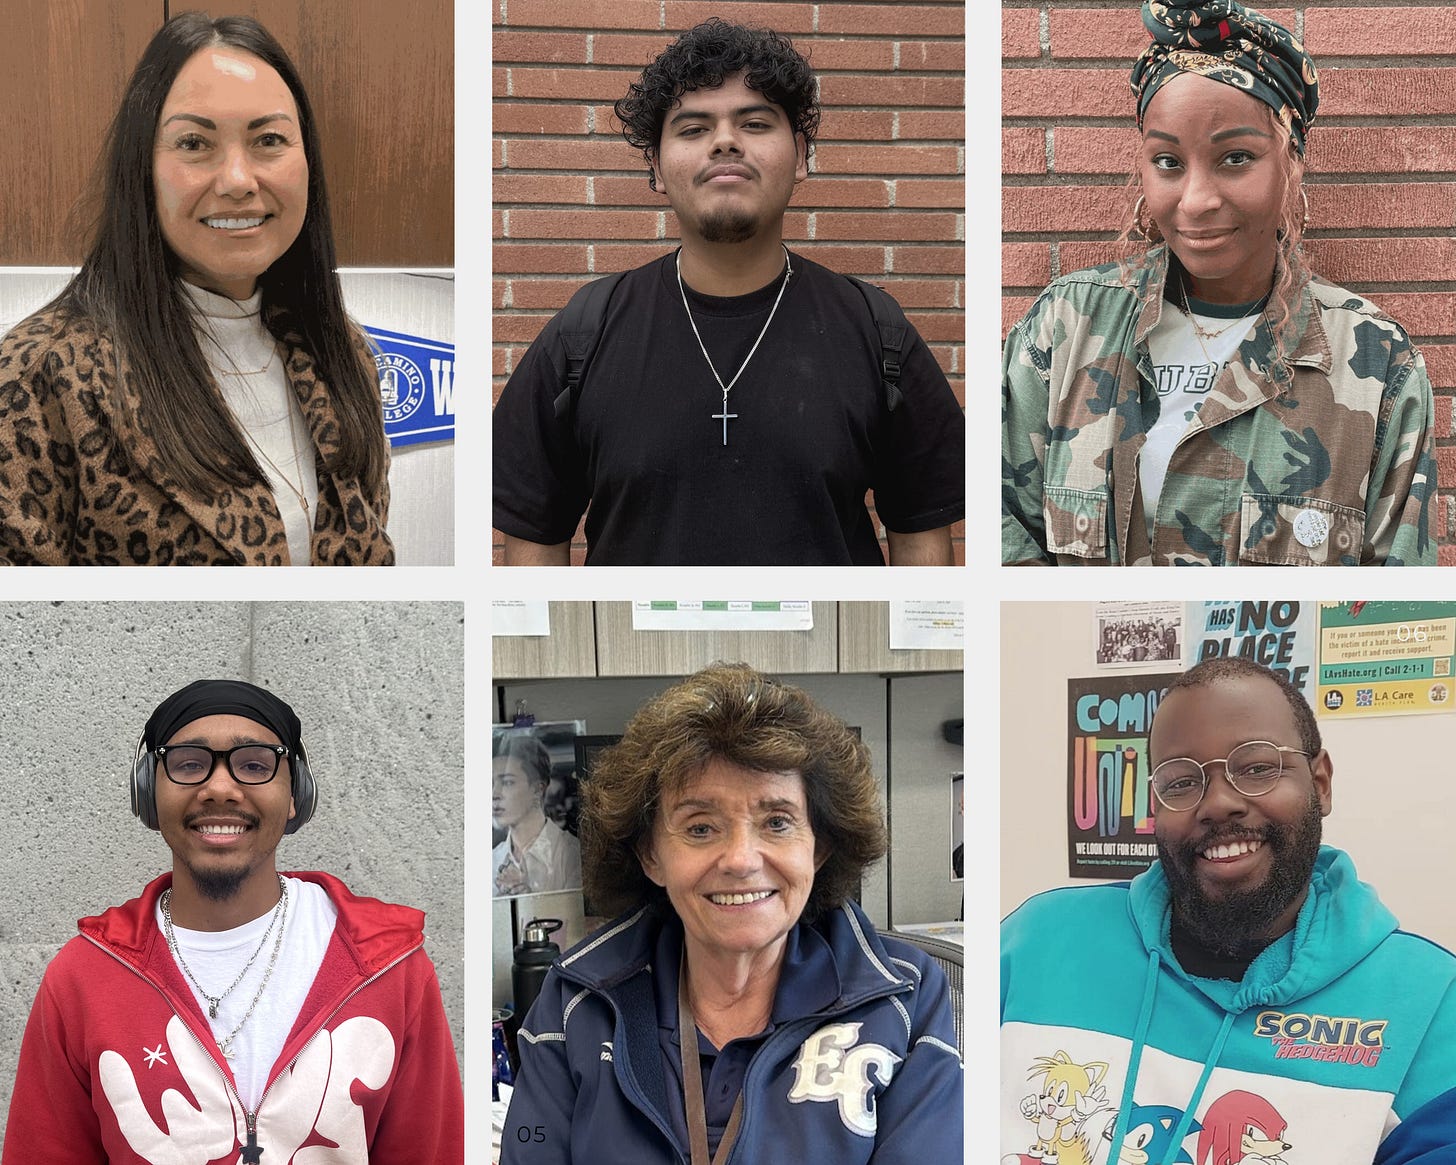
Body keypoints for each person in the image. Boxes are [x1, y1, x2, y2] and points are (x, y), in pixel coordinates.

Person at [493, 18, 965, 566]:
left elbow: (922, 534)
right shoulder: (581, 336)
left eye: (755, 123)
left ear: (802, 154)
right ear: (656, 167)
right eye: (693, 129)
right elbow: (533, 537)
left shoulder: (877, 332)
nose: (724, 142)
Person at [1001, 0, 1435, 566]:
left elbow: (1392, 586)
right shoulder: (1063, 330)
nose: (1197, 200)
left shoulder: (1377, 364)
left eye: (1235, 157)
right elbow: (1001, 534)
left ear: (1291, 161)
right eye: (1167, 161)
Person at [1000, 657, 1456, 1163]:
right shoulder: (1032, 943)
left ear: (1320, 783)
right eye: (1179, 782)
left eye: (1257, 767)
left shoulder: (1433, 1002)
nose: (1217, 803)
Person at [502, 662, 962, 1163]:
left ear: (820, 846)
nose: (741, 860)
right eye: (700, 828)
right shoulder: (577, 1000)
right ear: (650, 855)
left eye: (777, 822)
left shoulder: (906, 999)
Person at [2, 679, 462, 1162]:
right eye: (188, 764)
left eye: (255, 765)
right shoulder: (82, 979)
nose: (220, 788)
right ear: (148, 794)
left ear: (294, 795)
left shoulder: (387, 964)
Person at [0, 13, 392, 565]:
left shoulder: (343, 356)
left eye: (269, 140)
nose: (237, 180)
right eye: (194, 143)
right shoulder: (41, 376)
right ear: (142, 168)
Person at [493, 729, 583, 896]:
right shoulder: (491, 860)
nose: (494, 794)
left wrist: (529, 898)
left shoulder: (570, 853)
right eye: (489, 783)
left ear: (537, 788)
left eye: (507, 782)